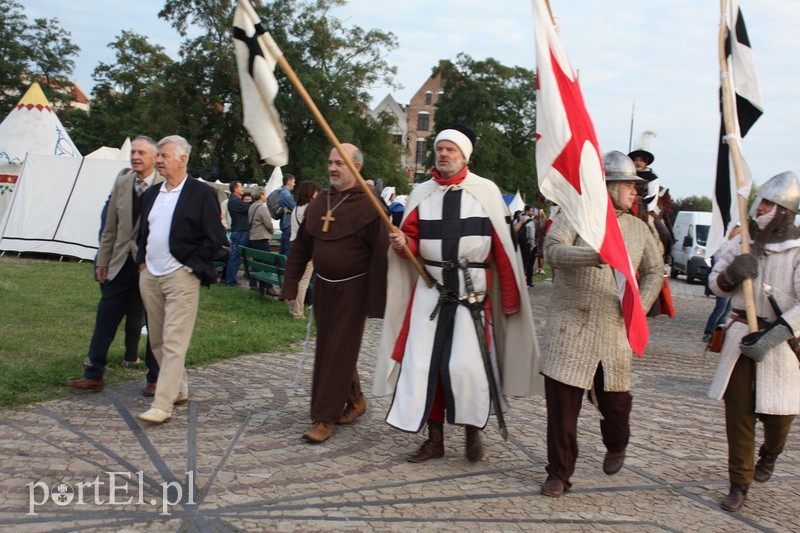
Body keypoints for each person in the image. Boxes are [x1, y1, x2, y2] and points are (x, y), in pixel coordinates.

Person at [375, 125, 541, 464]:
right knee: (425, 366)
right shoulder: (422, 192)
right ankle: (434, 440)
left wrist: (509, 299)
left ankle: (471, 434)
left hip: (472, 298)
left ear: (465, 156)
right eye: (440, 149)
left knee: (467, 368)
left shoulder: (486, 192)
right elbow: (412, 238)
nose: (443, 154)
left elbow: (502, 250)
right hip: (430, 293)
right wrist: (405, 244)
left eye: (451, 149)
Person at [539, 151, 663, 497]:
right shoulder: (577, 216)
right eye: (629, 185)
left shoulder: (639, 229)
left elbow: (655, 271)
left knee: (616, 404)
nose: (635, 192)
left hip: (613, 329)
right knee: (562, 410)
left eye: (636, 187)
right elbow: (552, 251)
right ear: (608, 186)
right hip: (570, 327)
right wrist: (594, 255)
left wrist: (639, 305)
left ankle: (617, 442)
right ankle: (558, 473)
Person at [281, 143, 389, 443]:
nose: (333, 168)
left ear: (356, 166)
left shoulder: (370, 205)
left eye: (340, 163)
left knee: (337, 349)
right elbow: (301, 247)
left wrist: (377, 300)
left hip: (355, 289)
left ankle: (323, 417)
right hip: (324, 287)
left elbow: (382, 255)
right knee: (332, 348)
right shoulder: (320, 202)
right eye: (330, 162)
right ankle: (355, 400)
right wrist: (290, 285)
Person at [707, 171, 800, 513]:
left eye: (766, 203)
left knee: (780, 419)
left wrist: (777, 333)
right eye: (759, 201)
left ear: (782, 211)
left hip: (780, 341)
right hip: (740, 335)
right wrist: (731, 275)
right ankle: (739, 483)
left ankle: (771, 453)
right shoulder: (742, 241)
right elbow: (715, 282)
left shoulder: (797, 250)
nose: (758, 208)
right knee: (739, 416)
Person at [135, 135, 227, 424]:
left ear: (182, 158)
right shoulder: (152, 194)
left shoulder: (202, 193)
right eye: (158, 156)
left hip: (181, 277)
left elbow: (216, 238)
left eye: (163, 156)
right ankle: (180, 388)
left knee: (175, 341)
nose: (158, 160)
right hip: (151, 275)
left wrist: (191, 267)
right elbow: (143, 234)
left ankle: (163, 405)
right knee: (158, 341)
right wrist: (141, 264)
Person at [66, 136, 163, 395]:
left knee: (154, 321)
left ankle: (155, 378)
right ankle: (93, 374)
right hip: (120, 263)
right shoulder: (122, 182)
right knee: (105, 317)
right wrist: (103, 260)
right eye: (134, 152)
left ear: (155, 158)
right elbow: (109, 227)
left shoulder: (166, 186)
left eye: (142, 152)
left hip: (151, 265)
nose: (136, 156)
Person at [288, 180, 321, 319]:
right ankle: (298, 311)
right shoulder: (310, 209)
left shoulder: (296, 208)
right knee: (304, 281)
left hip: (294, 245)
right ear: (310, 193)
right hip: (307, 249)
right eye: (315, 191)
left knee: (297, 279)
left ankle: (292, 308)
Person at [702, 225, 741, 343]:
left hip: (735, 282)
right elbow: (720, 263)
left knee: (727, 312)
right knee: (720, 309)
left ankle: (718, 334)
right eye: (738, 232)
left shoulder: (738, 248)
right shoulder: (724, 246)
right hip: (724, 281)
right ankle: (708, 332)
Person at [247, 187, 277, 296]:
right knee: (268, 262)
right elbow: (268, 224)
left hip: (253, 237)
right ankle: (269, 287)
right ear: (261, 195)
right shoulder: (262, 208)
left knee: (257, 261)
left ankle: (253, 283)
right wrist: (272, 231)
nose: (266, 196)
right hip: (261, 238)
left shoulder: (251, 206)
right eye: (265, 194)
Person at [225, 180, 250, 286]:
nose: (242, 188)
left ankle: (231, 279)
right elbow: (247, 207)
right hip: (240, 231)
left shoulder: (235, 200)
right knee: (235, 257)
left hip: (239, 231)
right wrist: (257, 200)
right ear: (235, 189)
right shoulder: (235, 201)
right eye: (241, 187)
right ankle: (230, 281)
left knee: (236, 256)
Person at [513, 204, 537, 286]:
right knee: (526, 264)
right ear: (527, 211)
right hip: (526, 245)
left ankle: (517, 280)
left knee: (517, 262)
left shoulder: (516, 220)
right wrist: (533, 246)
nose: (533, 212)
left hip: (517, 244)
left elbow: (513, 231)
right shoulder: (531, 222)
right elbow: (531, 236)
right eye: (531, 211)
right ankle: (524, 281)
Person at [278, 174, 297, 256]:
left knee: (283, 249)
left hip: (284, 222)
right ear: (289, 182)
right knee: (287, 249)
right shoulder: (286, 194)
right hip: (288, 224)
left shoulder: (281, 192)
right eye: (293, 182)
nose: (294, 184)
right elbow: (295, 208)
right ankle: (284, 268)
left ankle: (279, 268)